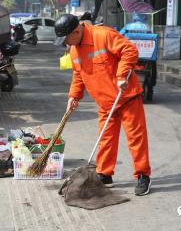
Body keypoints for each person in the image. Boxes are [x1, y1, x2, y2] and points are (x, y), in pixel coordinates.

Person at [54, 14, 151, 196]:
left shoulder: (103, 35)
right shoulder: (74, 50)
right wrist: (73, 97)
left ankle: (143, 175)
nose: (66, 43)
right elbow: (78, 76)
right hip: (105, 103)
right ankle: (105, 174)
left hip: (126, 97)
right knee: (105, 139)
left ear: (76, 31)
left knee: (135, 139)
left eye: (66, 38)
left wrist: (122, 75)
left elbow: (129, 51)